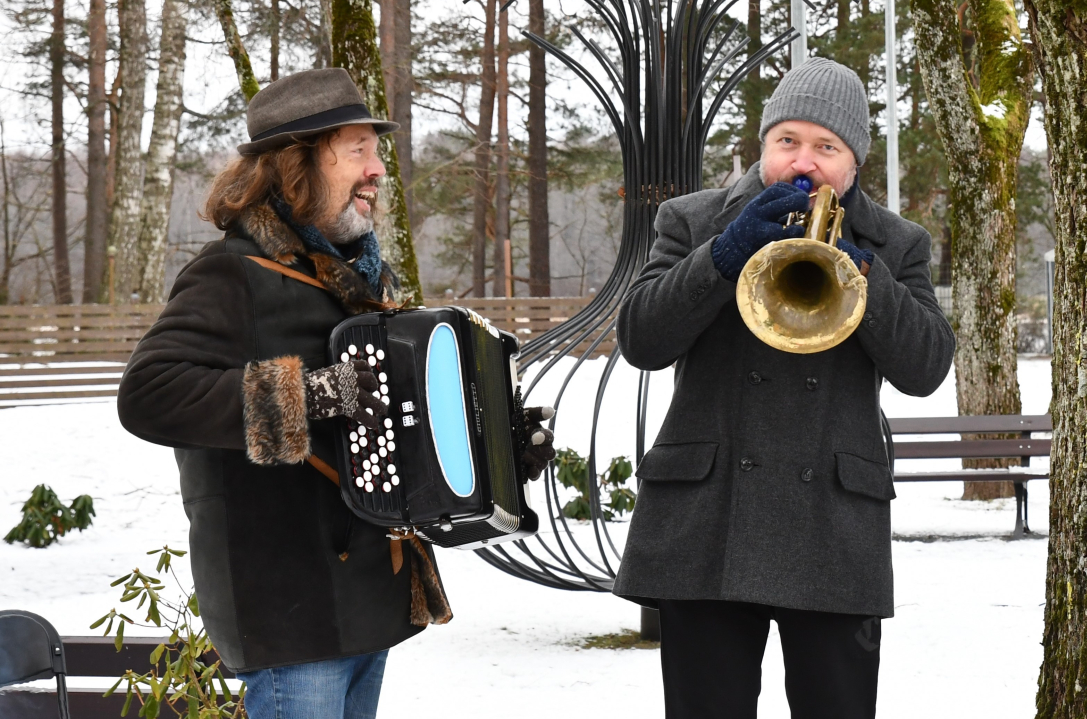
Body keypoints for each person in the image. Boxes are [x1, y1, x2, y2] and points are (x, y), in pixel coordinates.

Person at [117, 68, 556, 719]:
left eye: (375, 152)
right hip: (288, 609)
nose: (377, 169)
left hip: (363, 600)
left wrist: (497, 450)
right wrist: (311, 395)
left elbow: (389, 425)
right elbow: (149, 395)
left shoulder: (349, 278)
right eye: (358, 150)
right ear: (297, 165)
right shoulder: (229, 275)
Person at [612, 57, 955, 718]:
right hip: (707, 521)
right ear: (762, 146)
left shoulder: (897, 242)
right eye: (787, 142)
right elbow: (642, 341)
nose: (805, 162)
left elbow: (925, 369)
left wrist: (866, 279)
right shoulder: (692, 220)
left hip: (830, 526)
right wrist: (721, 255)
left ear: (853, 163)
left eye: (826, 147)